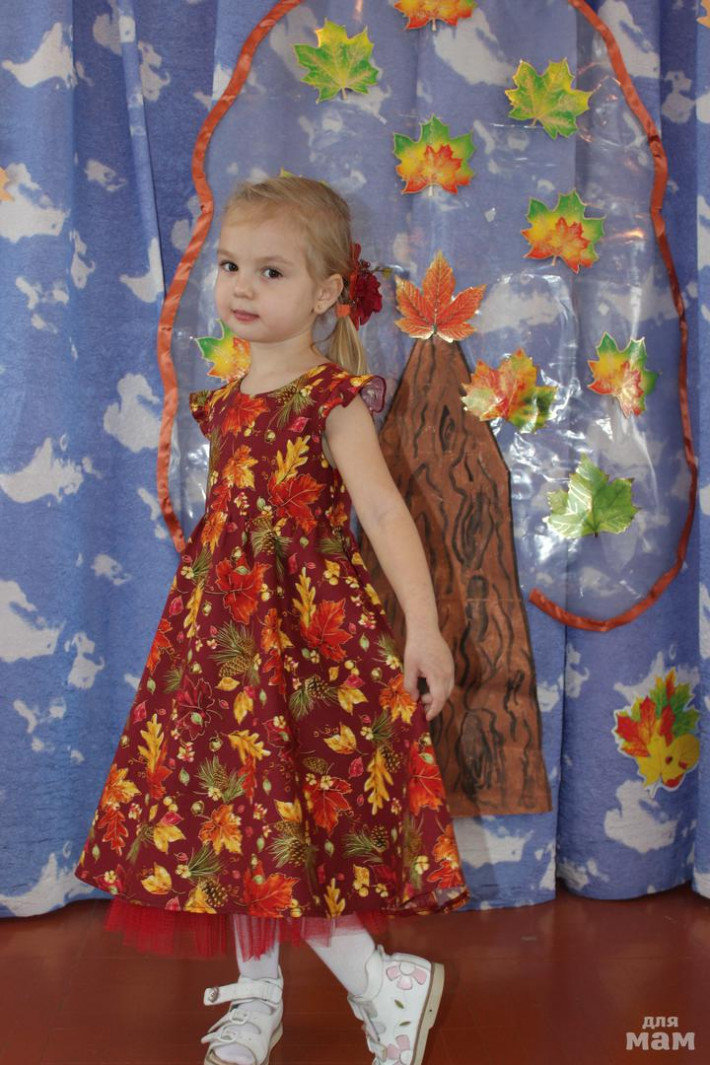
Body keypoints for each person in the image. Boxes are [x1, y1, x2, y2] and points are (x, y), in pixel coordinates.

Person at [74, 175, 469, 1065]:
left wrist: (423, 626)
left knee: (295, 824)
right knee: (235, 820)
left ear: (326, 293)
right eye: (230, 266)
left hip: (306, 648)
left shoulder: (331, 400)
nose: (242, 287)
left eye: (271, 270)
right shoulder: (225, 401)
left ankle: (383, 983)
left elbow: (385, 513)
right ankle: (258, 996)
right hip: (221, 647)